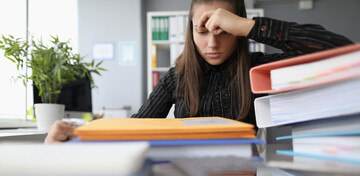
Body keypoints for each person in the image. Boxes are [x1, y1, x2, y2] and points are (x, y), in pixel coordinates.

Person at [44, 0, 353, 144]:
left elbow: (338, 49)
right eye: (202, 31)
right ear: (190, 32)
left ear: (237, 29)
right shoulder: (177, 76)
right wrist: (77, 133)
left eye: (223, 30)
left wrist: (249, 27)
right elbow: (137, 127)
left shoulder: (257, 68)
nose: (213, 42)